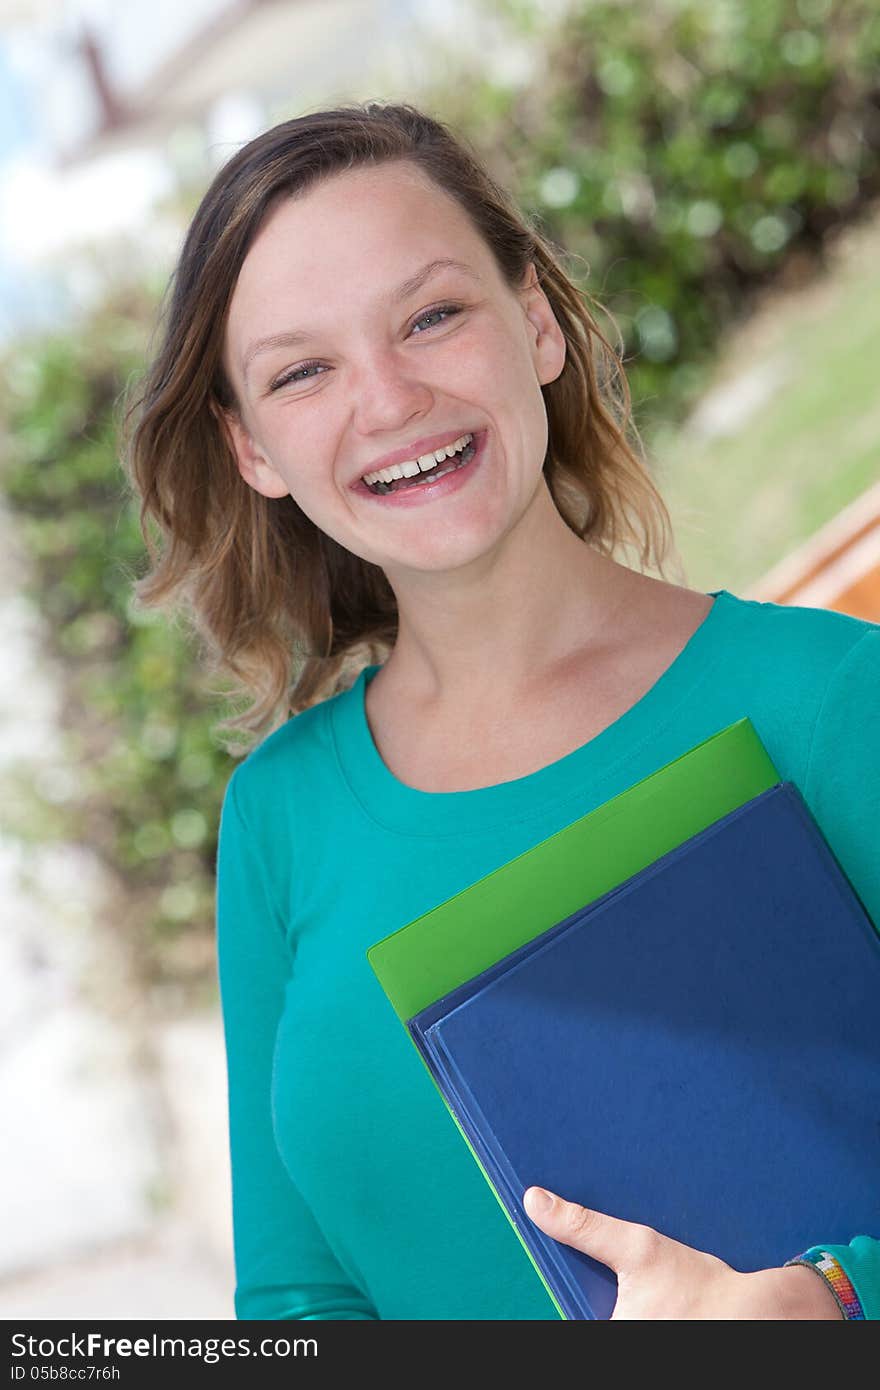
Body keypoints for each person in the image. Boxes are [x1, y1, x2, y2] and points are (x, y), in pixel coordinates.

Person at [125, 102, 879, 1320]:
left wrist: (829, 1298)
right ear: (251, 445)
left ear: (534, 324)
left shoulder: (833, 700)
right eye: (302, 371)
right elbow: (297, 1296)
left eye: (430, 316)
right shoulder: (280, 818)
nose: (387, 399)